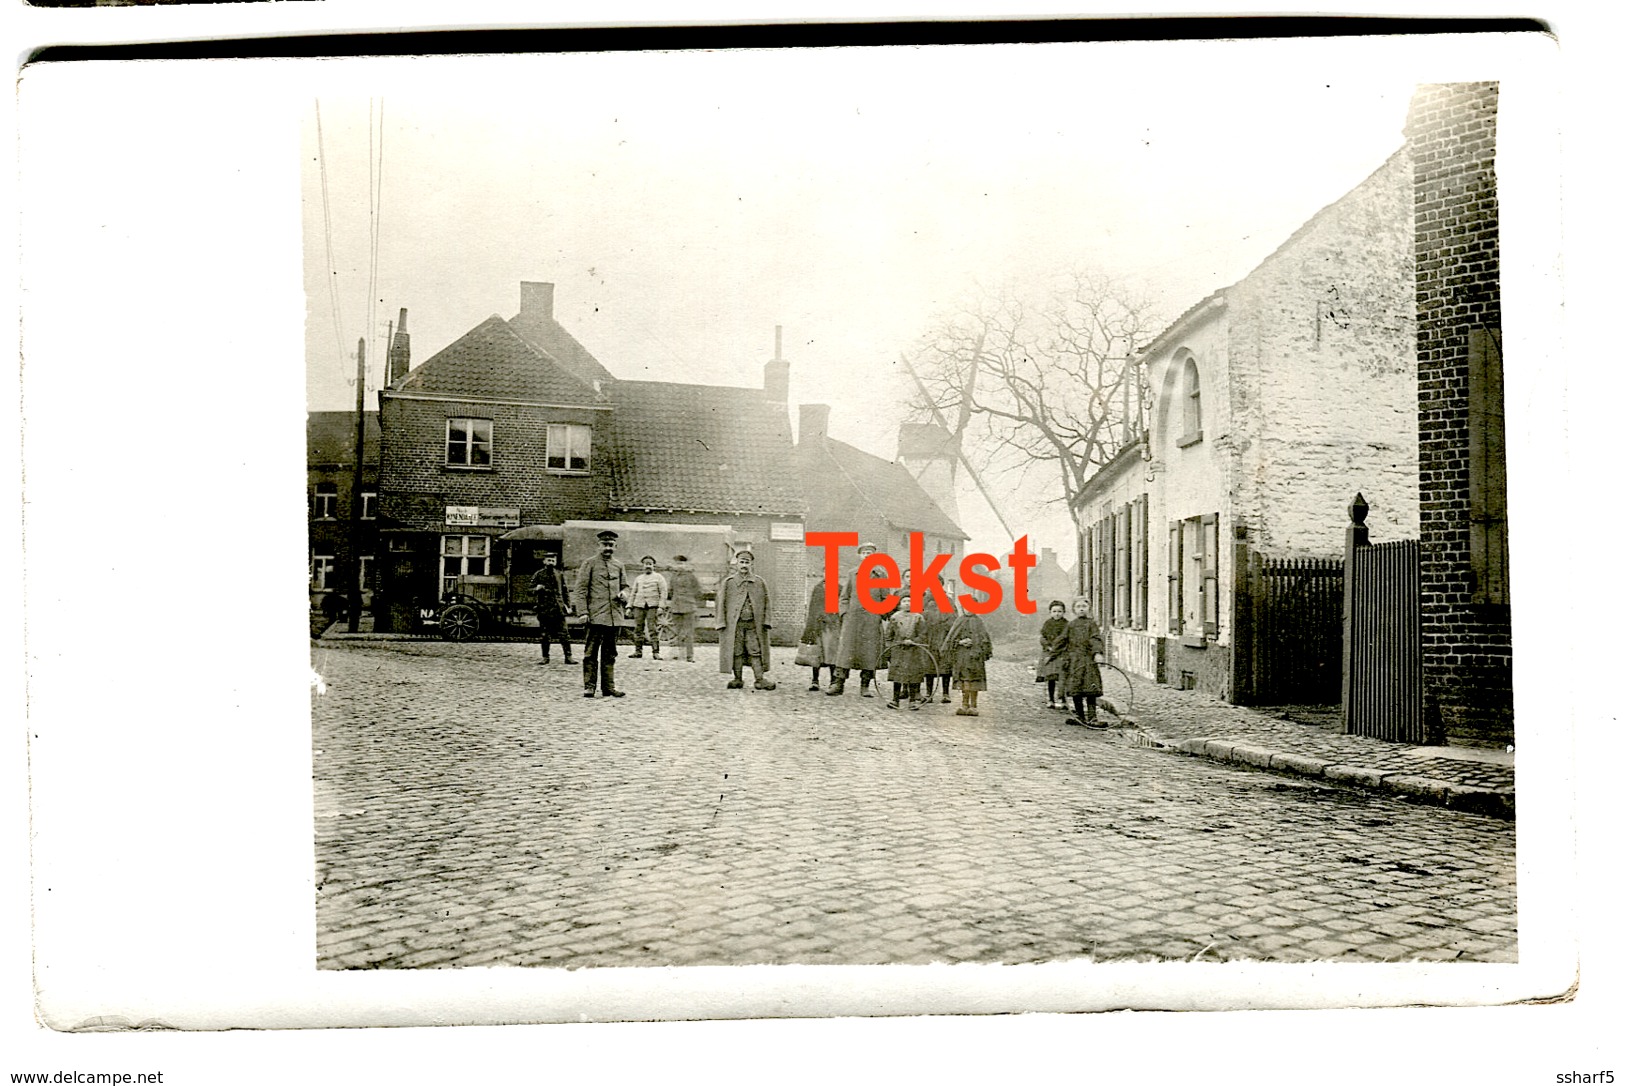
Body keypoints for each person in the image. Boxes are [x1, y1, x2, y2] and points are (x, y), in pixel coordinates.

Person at [574, 530, 630, 698]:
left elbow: (625, 586)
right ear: (598, 546)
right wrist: (583, 612)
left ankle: (608, 687)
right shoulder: (589, 564)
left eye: (611, 545)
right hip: (595, 616)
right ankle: (589, 686)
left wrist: (625, 594)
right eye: (605, 545)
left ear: (616, 546)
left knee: (610, 653)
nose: (608, 548)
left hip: (614, 617)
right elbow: (580, 590)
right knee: (591, 653)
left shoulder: (619, 565)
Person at [832, 541, 887, 698]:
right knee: (845, 651)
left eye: (870, 553)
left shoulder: (881, 575)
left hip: (871, 620)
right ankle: (839, 684)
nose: (867, 555)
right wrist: (844, 614)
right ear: (859, 556)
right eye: (864, 553)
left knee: (869, 654)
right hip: (852, 619)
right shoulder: (852, 574)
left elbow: (885, 598)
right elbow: (844, 597)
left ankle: (865, 686)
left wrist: (879, 615)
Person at [716, 547, 776, 691]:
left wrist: (767, 621)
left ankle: (759, 679)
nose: (744, 565)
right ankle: (737, 679)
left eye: (747, 562)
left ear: (752, 565)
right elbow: (721, 603)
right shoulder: (729, 582)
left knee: (755, 650)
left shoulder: (759, 582)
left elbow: (768, 603)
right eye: (741, 562)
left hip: (753, 625)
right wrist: (721, 622)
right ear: (736, 564)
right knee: (736, 651)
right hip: (734, 625)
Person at [1059, 596, 1107, 726]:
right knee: (1076, 690)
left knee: (1090, 690)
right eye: (1078, 607)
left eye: (1084, 607)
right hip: (1073, 661)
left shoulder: (1091, 624)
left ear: (1089, 608)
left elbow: (1095, 639)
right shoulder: (1071, 625)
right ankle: (1080, 716)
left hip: (1087, 661)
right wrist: (1053, 654)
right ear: (1074, 610)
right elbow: (1062, 640)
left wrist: (1097, 653)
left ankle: (1092, 717)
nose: (1081, 609)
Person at [884, 575, 929, 710]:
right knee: (898, 676)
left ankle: (912, 701)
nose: (907, 604)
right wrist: (891, 647)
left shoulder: (918, 618)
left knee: (914, 677)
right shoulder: (895, 618)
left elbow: (923, 634)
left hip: (914, 651)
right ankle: (895, 699)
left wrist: (914, 641)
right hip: (898, 651)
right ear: (899, 604)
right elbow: (888, 635)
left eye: (910, 601)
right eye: (904, 601)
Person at [945, 599, 994, 717]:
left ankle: (974, 705)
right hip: (961, 656)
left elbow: (985, 640)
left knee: (974, 680)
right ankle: (964, 704)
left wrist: (974, 643)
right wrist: (960, 642)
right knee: (964, 680)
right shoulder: (959, 621)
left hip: (975, 656)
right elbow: (950, 639)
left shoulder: (979, 622)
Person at [798, 572, 843, 692]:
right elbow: (813, 608)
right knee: (816, 653)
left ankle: (833, 681)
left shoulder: (840, 589)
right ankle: (815, 680)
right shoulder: (818, 588)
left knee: (832, 653)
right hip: (818, 626)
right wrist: (811, 625)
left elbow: (842, 606)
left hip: (832, 626)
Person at [528, 550, 574, 665]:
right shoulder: (538, 574)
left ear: (556, 562)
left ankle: (568, 657)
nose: (551, 562)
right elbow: (529, 591)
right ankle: (545, 657)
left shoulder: (560, 574)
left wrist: (568, 606)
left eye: (553, 560)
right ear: (544, 561)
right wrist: (536, 589)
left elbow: (565, 591)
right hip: (544, 608)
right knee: (545, 635)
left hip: (558, 609)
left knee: (564, 634)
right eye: (548, 560)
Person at [627, 555, 669, 660]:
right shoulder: (638, 578)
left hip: (652, 606)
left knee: (652, 629)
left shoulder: (659, 577)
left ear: (654, 565)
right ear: (643, 565)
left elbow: (663, 593)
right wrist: (629, 606)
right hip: (639, 605)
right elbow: (633, 593)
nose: (648, 566)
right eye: (646, 564)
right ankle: (638, 651)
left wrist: (661, 607)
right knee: (638, 629)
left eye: (650, 564)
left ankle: (655, 652)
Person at [666, 555, 704, 663]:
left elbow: (698, 591)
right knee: (677, 632)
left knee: (688, 633)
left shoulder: (691, 576)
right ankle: (679, 654)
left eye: (681, 564)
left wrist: (690, 598)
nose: (679, 566)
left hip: (689, 607)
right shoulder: (673, 577)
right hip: (676, 607)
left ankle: (689, 656)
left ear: (685, 565)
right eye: (677, 564)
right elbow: (671, 591)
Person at [920, 593, 956, 704]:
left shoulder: (948, 601)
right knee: (929, 666)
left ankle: (946, 693)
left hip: (943, 637)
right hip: (928, 637)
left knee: (945, 666)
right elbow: (918, 617)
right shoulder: (924, 600)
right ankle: (928, 693)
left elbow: (953, 618)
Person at [1035, 599, 1070, 709]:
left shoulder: (1067, 625)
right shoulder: (1047, 624)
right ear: (1050, 612)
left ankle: (1063, 700)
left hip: (1062, 653)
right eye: (1054, 611)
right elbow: (1042, 637)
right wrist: (1048, 646)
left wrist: (1061, 648)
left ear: (1064, 612)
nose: (1057, 614)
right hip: (1049, 653)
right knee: (1050, 678)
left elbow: (1068, 639)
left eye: (1059, 611)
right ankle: (1050, 699)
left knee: (1062, 678)